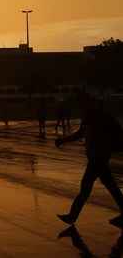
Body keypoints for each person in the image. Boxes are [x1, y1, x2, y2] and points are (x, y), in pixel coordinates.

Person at [56, 92, 123, 226]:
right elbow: (81, 134)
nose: (81, 108)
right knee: (111, 187)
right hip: (99, 157)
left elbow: (81, 134)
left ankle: (72, 216)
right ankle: (72, 216)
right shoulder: (95, 116)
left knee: (86, 187)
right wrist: (64, 140)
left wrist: (63, 140)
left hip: (97, 158)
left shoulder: (96, 117)